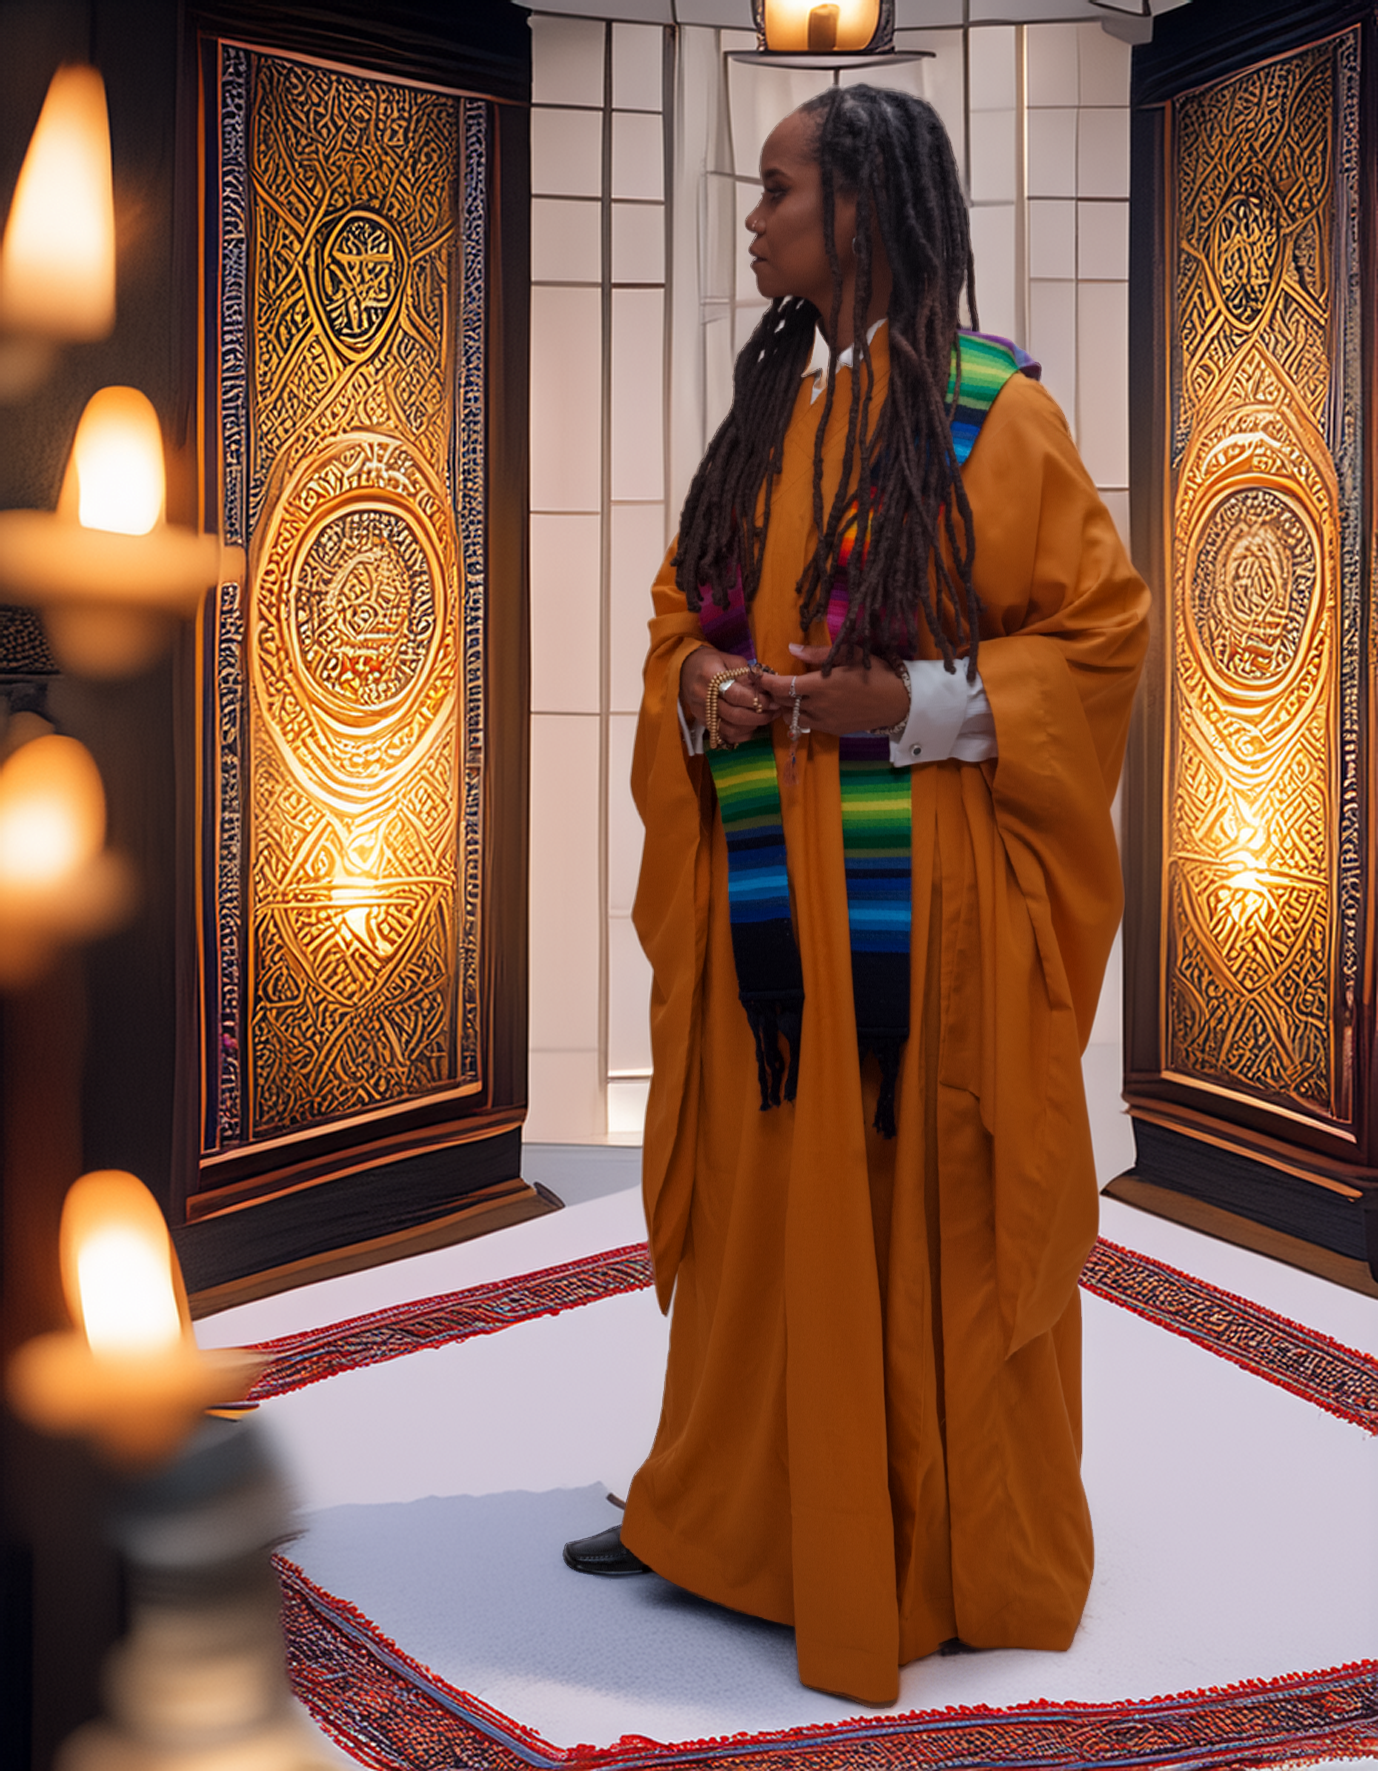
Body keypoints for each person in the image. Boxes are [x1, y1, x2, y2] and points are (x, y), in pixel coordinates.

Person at [563, 84, 1149, 1708]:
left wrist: (920, 705)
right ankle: (722, 1511)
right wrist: (705, 691)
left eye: (776, 193)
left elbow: (1097, 639)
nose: (752, 222)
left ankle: (923, 1539)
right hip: (767, 898)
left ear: (863, 215)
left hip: (918, 909)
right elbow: (685, 609)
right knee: (762, 1203)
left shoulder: (989, 416)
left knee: (904, 1199)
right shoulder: (765, 419)